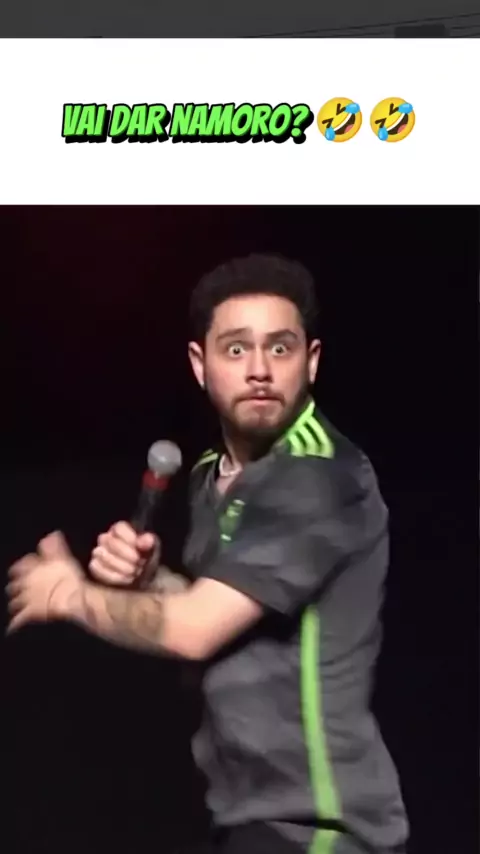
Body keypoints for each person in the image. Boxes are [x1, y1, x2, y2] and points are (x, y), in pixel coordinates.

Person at [6, 254, 409, 854]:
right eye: (236, 348)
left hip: (320, 826)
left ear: (311, 361)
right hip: (248, 814)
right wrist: (152, 580)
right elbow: (220, 609)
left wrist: (68, 595)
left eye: (280, 348)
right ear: (201, 364)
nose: (259, 370)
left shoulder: (318, 476)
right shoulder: (208, 475)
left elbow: (193, 632)